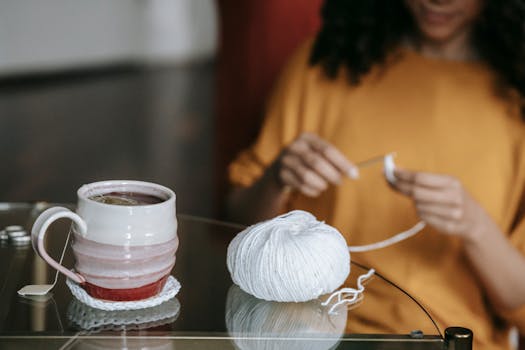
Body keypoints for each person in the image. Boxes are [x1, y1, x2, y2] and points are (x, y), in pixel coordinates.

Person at [226, 0, 525, 349]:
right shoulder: (327, 61)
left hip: (444, 338)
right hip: (302, 333)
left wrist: (475, 226)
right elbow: (237, 224)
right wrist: (276, 178)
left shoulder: (515, 99)